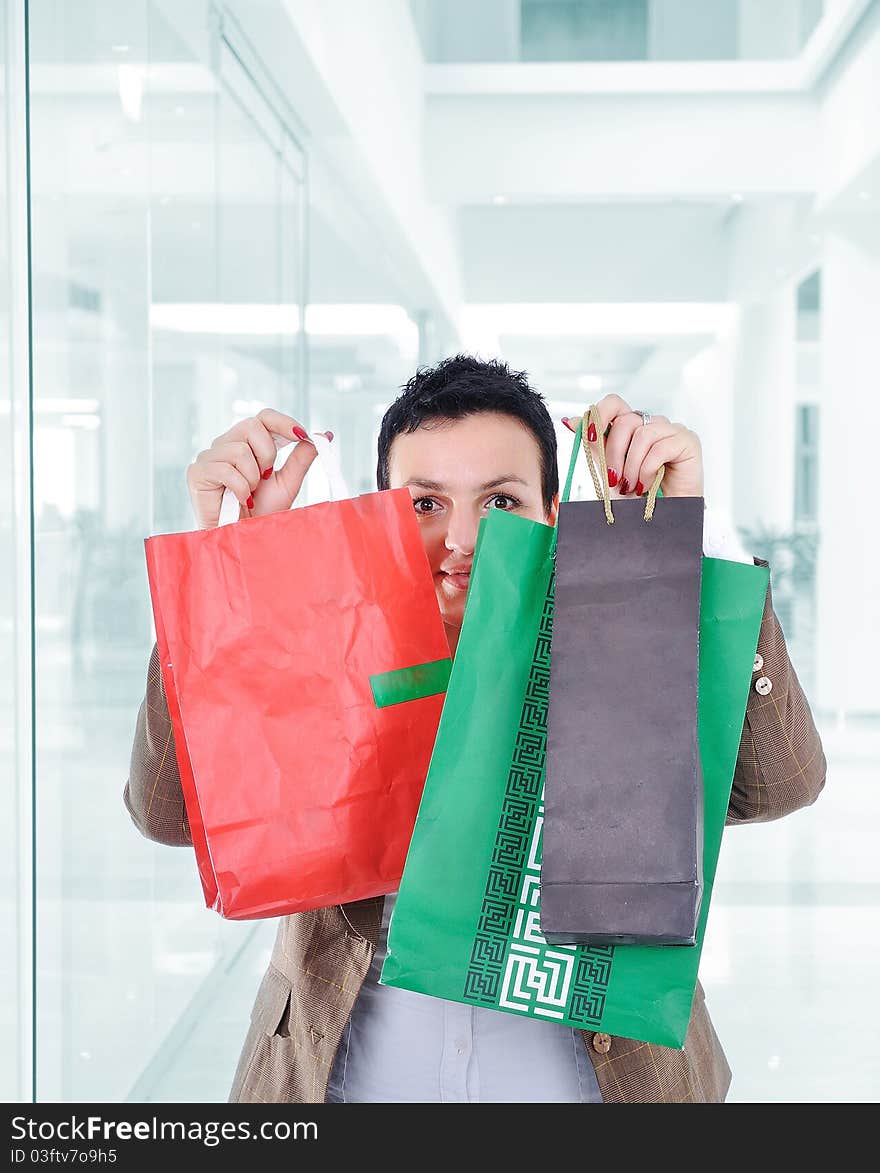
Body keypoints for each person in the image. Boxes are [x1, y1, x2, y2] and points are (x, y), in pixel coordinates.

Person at [125, 353, 826, 1104]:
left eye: (499, 502)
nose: (461, 538)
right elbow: (168, 816)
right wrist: (228, 580)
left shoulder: (615, 637)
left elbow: (780, 783)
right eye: (425, 503)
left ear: (552, 514)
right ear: (381, 512)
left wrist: (693, 551)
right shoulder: (319, 646)